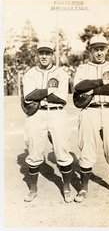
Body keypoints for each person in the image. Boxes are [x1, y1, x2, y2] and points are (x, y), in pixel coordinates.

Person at [73, 34, 109, 203]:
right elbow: (78, 87)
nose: (99, 52)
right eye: (95, 49)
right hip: (90, 111)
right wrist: (101, 81)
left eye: (102, 49)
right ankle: (83, 189)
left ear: (106, 50)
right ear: (90, 50)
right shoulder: (83, 68)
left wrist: (93, 89)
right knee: (87, 149)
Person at [22, 41, 73, 203]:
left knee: (63, 152)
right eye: (41, 53)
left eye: (47, 53)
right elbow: (29, 96)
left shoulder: (61, 73)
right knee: (34, 153)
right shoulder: (30, 73)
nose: (44, 56)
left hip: (57, 114)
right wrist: (50, 91)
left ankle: (66, 188)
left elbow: (61, 98)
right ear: (37, 55)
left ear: (52, 55)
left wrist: (40, 92)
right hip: (36, 114)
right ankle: (33, 189)